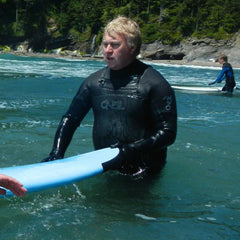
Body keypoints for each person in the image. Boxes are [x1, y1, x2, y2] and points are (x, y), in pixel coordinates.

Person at [42, 16, 177, 177]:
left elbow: (168, 133)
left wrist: (130, 151)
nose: (107, 50)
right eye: (105, 44)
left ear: (132, 48)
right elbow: (70, 119)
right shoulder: (94, 82)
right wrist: (57, 153)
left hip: (144, 171)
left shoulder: (154, 84)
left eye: (115, 45)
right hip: (107, 167)